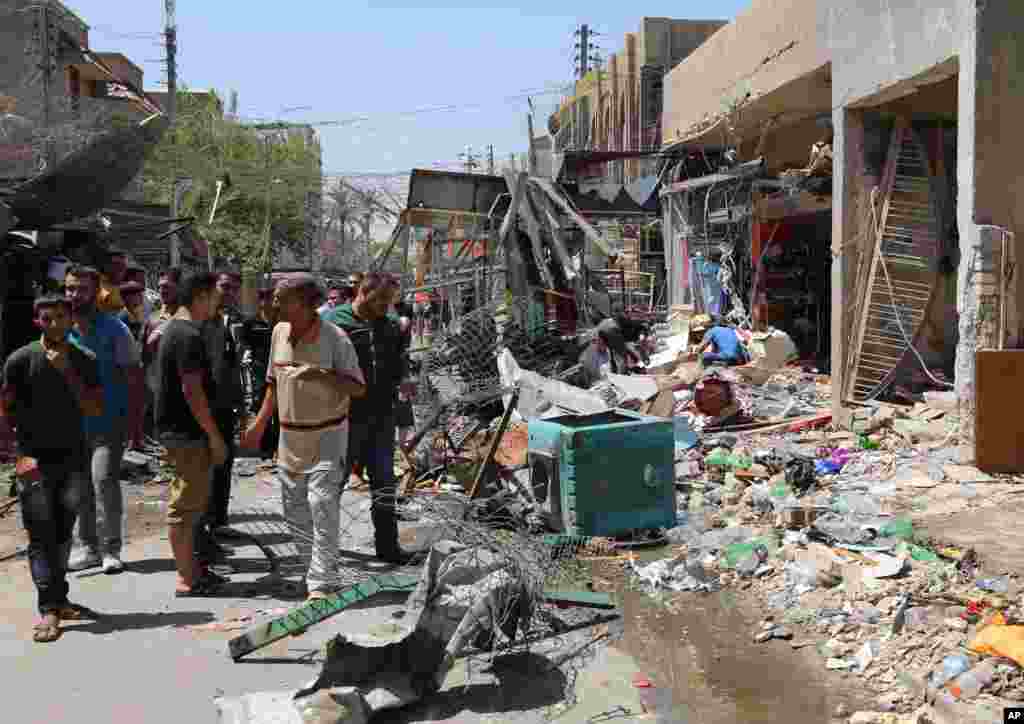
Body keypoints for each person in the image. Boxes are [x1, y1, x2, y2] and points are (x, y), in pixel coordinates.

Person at [241, 274, 365, 600]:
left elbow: (358, 387)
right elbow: (272, 383)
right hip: (290, 436)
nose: (274, 303)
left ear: (308, 304)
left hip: (328, 434)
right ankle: (311, 570)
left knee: (321, 505)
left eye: (282, 298)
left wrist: (321, 375)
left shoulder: (336, 339)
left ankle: (323, 583)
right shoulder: (278, 332)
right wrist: (258, 424)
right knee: (294, 508)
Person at [0, 296, 104, 642]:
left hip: (72, 458)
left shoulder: (83, 359)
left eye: (61, 317)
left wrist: (67, 373)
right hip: (33, 460)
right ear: (37, 322)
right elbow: (5, 408)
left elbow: (93, 408)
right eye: (47, 319)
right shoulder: (20, 360)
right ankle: (48, 608)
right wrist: (15, 453)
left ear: (72, 320)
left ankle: (58, 600)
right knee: (40, 535)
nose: (55, 324)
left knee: (62, 533)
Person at [324, 273, 419, 565]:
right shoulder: (334, 322)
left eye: (389, 302)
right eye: (380, 300)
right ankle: (324, 552)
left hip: (381, 416)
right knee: (332, 484)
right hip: (344, 418)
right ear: (362, 293)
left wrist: (405, 379)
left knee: (384, 483)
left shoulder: (389, 325)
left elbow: (398, 361)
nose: (385, 307)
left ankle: (388, 548)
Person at [152, 271, 230, 597]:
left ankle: (194, 570)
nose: (217, 303)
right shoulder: (186, 335)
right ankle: (187, 578)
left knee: (192, 503)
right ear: (200, 296)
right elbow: (192, 391)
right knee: (185, 506)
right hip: (187, 433)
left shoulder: (180, 330)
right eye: (214, 296)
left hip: (181, 432)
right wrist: (213, 435)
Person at [64, 265, 144, 574]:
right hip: (71, 425)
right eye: (70, 288)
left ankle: (111, 549)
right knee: (79, 487)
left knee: (103, 482)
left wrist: (136, 426)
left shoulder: (115, 329)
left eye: (81, 289)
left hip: (108, 423)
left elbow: (134, 378)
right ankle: (87, 548)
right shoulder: (61, 328)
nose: (74, 294)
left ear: (95, 292)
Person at [199, 272, 244, 551]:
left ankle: (218, 520)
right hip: (204, 405)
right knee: (205, 467)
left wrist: (238, 401)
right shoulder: (200, 321)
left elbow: (230, 366)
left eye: (234, 289)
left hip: (224, 404)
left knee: (223, 461)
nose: (230, 293)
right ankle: (203, 536)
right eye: (225, 287)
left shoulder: (226, 321)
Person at [238, 288, 279, 460]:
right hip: (259, 370)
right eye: (262, 299)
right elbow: (244, 344)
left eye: (268, 299)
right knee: (262, 407)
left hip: (279, 369)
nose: (265, 303)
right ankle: (265, 448)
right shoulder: (251, 322)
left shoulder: (280, 321)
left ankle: (278, 446)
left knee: (279, 410)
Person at [142, 268, 181, 440]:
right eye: (160, 287)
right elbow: (146, 354)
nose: (162, 291)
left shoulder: (194, 316)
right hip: (159, 386)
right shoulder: (153, 319)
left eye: (167, 286)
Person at [96, 248, 128, 314]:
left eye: (123, 265)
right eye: (116, 264)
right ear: (105, 266)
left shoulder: (125, 283)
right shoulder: (97, 282)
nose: (120, 268)